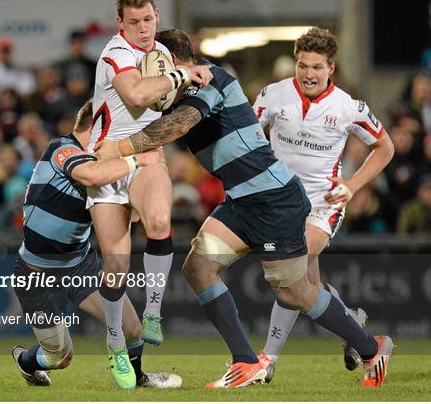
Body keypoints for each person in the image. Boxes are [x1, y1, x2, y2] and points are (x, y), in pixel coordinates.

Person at [96, 28, 395, 389]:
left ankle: (370, 348)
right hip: (242, 199)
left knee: (295, 291)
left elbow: (178, 126)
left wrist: (119, 148)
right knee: (198, 268)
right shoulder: (180, 92)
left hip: (274, 199)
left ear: (170, 61)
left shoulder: (213, 79)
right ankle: (245, 361)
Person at [86, 0, 212, 388]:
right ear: (120, 22)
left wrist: (198, 75)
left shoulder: (160, 53)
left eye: (148, 19)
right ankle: (115, 344)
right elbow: (138, 94)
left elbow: (186, 84)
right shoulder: (115, 54)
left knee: (160, 220)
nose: (143, 27)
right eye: (134, 21)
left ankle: (154, 312)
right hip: (107, 163)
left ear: (158, 15)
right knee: (117, 265)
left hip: (146, 158)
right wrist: (180, 76)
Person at [252, 26, 395, 379]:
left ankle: (266, 362)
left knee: (290, 273)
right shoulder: (272, 95)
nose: (308, 74)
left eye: (317, 67)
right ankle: (362, 334)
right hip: (280, 203)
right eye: (303, 65)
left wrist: (352, 185)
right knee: (305, 290)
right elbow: (249, 140)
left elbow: (385, 147)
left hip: (322, 204)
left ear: (331, 68)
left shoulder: (349, 107)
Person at [11, 99, 181, 390]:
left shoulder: (105, 162)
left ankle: (138, 379)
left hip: (79, 265)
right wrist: (138, 160)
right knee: (59, 357)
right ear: (98, 125)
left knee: (133, 329)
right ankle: (26, 361)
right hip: (35, 273)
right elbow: (89, 175)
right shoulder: (62, 149)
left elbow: (135, 213)